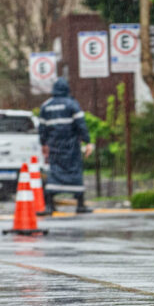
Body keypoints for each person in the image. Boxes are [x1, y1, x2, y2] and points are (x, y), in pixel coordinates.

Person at [38, 78, 94, 215]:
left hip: (55, 147)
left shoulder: (46, 106)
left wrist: (43, 143)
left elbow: (42, 128)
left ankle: (50, 205)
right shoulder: (72, 104)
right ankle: (80, 205)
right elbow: (81, 125)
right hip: (71, 147)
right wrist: (87, 142)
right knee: (75, 172)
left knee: (54, 173)